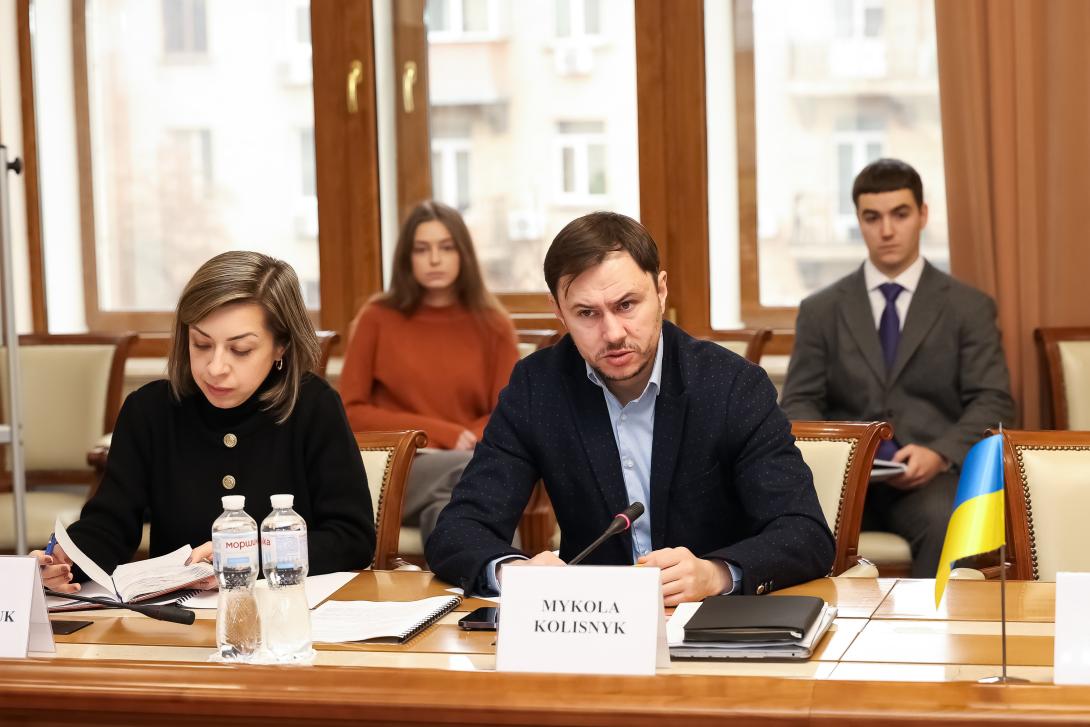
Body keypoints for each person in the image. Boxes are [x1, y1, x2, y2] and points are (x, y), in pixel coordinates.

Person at [426, 211, 834, 604]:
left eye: (626, 305)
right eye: (587, 313)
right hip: (590, 622)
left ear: (660, 291)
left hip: (710, 620)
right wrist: (512, 572)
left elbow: (804, 533)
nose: (613, 333)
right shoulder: (538, 387)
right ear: (558, 312)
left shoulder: (731, 385)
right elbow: (458, 529)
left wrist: (717, 574)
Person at [37, 251, 376, 594]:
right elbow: (109, 525)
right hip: (178, 616)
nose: (215, 367)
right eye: (201, 344)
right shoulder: (149, 411)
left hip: (287, 609)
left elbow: (352, 538)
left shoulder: (313, 406)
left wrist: (249, 557)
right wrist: (66, 562)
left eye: (240, 350)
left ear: (281, 346)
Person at [780, 158, 1014, 578]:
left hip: (933, 481)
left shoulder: (969, 307)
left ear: (922, 215)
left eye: (900, 214)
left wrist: (939, 454)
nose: (886, 230)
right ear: (859, 221)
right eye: (873, 217)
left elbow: (992, 401)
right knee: (789, 519)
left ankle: (928, 624)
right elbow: (799, 402)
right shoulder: (820, 310)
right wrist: (845, 457)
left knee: (948, 521)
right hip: (845, 482)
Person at [339, 200, 518, 544]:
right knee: (474, 480)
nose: (434, 259)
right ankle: (503, 569)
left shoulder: (493, 324)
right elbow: (350, 411)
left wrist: (470, 437)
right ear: (407, 258)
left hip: (467, 462)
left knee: (451, 505)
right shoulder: (377, 317)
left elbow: (509, 414)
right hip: (397, 467)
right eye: (422, 249)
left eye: (446, 247)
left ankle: (465, 570)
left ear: (463, 254)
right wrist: (443, 433)